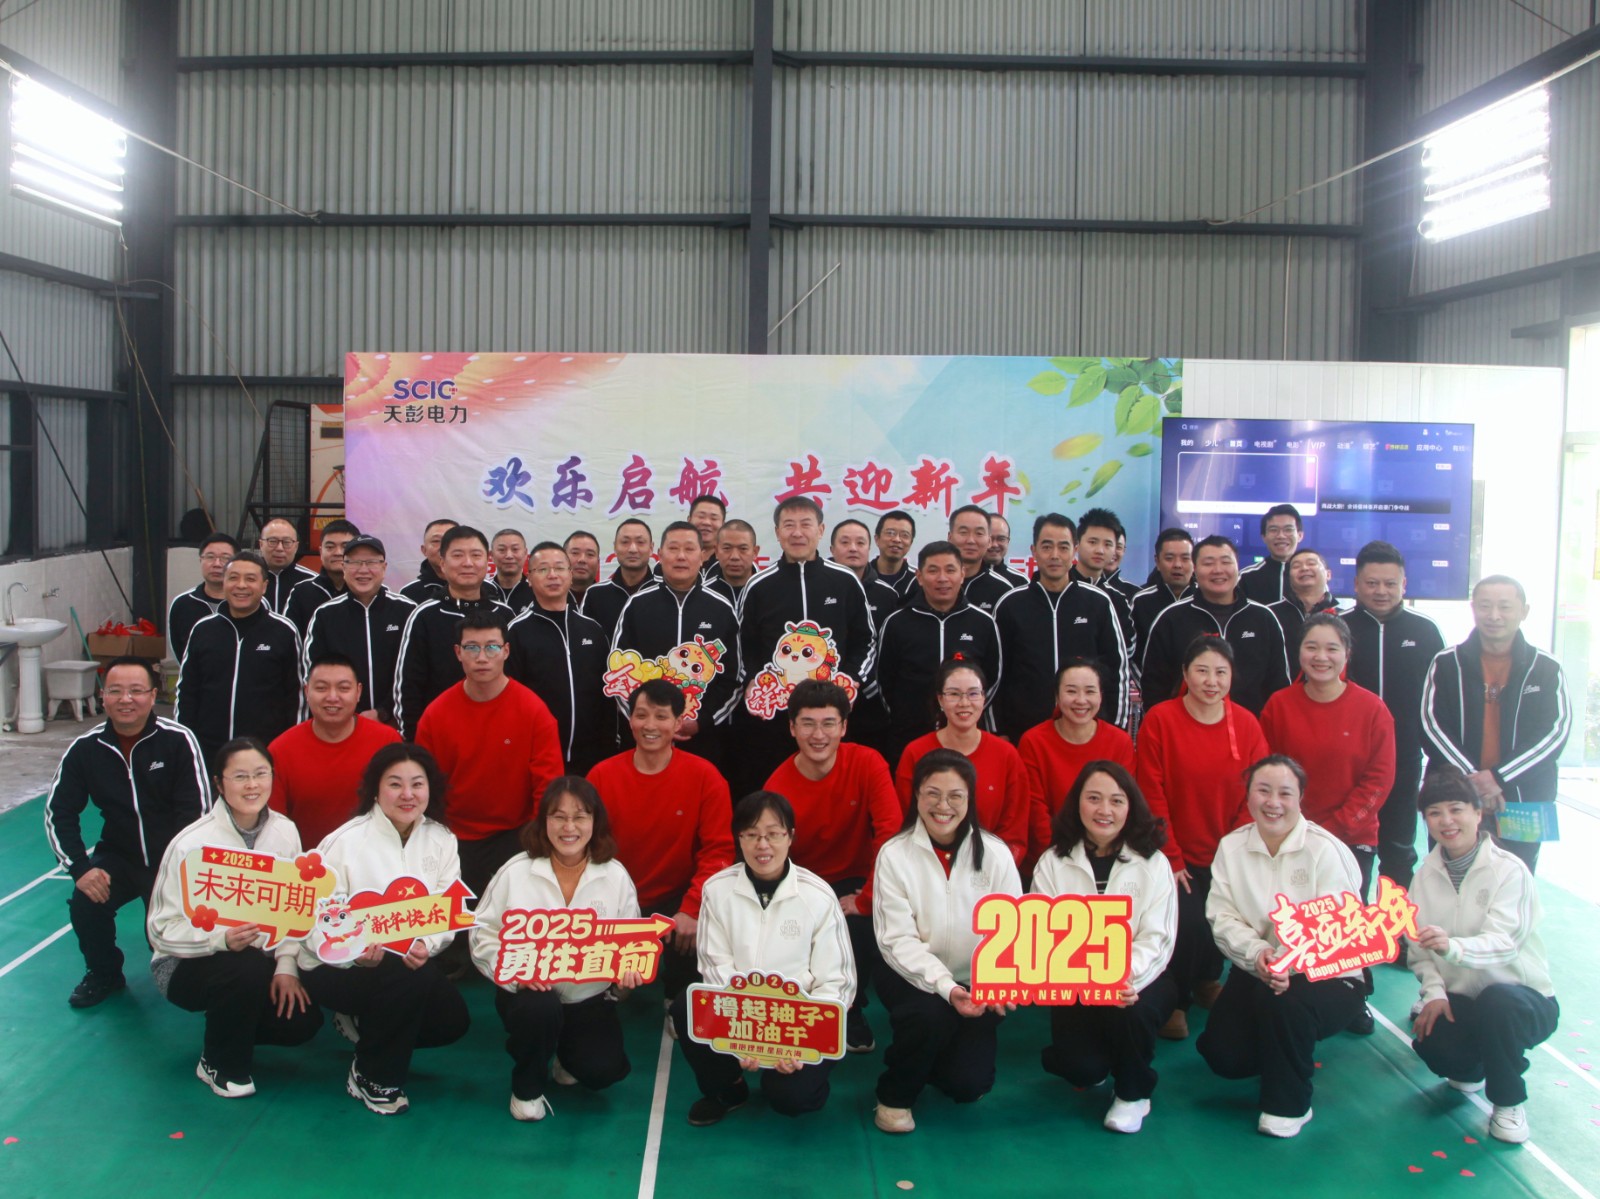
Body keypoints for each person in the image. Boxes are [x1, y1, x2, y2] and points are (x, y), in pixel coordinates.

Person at [1197, 755, 1366, 1138]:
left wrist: (1290, 963)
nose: (1273, 802)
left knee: (1285, 1005)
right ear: (1249, 796)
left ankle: (1289, 1104)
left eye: (1285, 793)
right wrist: (1257, 953)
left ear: (1301, 798)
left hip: (1327, 974)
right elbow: (1222, 916)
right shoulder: (1232, 847)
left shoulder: (1325, 849)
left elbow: (1343, 927)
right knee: (1223, 1055)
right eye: (1263, 790)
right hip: (1259, 966)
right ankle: (1285, 1045)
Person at [297, 744, 471, 1115]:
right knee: (410, 977)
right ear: (375, 789)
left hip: (402, 966)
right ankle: (374, 1076)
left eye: (417, 784)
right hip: (336, 968)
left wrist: (426, 943)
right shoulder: (345, 842)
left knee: (451, 1021)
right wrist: (353, 955)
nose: (407, 794)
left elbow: (447, 907)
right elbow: (313, 923)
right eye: (395, 784)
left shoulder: (441, 838)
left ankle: (365, 1025)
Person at [147, 738, 323, 1097]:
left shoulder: (285, 831)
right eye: (240, 776)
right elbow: (160, 930)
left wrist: (286, 966)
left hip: (259, 961)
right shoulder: (191, 844)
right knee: (245, 968)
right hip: (185, 963)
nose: (252, 785)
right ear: (218, 783)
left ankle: (227, 1026)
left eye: (261, 774)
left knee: (302, 1022)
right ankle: (221, 1063)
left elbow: (293, 911)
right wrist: (219, 939)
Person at [672, 791, 857, 1125]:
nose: (763, 845)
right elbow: (715, 967)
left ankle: (802, 1080)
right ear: (739, 838)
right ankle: (728, 1089)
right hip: (740, 1015)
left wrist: (797, 1043)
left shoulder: (818, 895)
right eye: (752, 835)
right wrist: (744, 1039)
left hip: (798, 1021)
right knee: (688, 1007)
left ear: (790, 837)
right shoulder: (716, 890)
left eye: (773, 834)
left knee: (791, 1099)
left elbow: (838, 981)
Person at [871, 749, 1022, 1134]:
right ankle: (894, 1096)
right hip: (911, 975)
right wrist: (946, 987)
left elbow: (1013, 930)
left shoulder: (997, 854)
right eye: (932, 794)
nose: (943, 806)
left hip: (976, 982)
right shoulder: (894, 855)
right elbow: (897, 940)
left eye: (956, 796)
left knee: (968, 1085)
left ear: (970, 799)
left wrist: (998, 982)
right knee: (929, 1016)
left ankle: (933, 1056)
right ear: (916, 796)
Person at [471, 778, 641, 1122]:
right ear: (543, 821)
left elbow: (632, 942)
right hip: (529, 995)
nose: (569, 827)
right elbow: (482, 934)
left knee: (603, 1071)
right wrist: (515, 973)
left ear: (595, 821)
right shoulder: (515, 871)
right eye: (558, 816)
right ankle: (527, 1088)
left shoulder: (615, 875)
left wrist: (626, 977)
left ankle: (565, 1055)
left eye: (580, 817)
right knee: (539, 1010)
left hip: (587, 998)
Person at [46, 657, 208, 1008]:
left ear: (152, 695)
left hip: (172, 862)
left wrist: (178, 872)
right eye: (116, 691)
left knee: (168, 948)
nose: (126, 699)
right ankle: (104, 973)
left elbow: (196, 814)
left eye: (136, 690)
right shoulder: (86, 749)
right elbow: (59, 812)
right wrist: (80, 869)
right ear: (102, 697)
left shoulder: (178, 740)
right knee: (86, 901)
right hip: (119, 855)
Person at [1408, 768, 1559, 1145]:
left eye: (1456, 809)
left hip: (1522, 999)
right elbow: (1419, 951)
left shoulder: (1510, 871)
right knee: (1432, 1043)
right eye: (1434, 813)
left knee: (1498, 1004)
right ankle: (1472, 1066)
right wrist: (1435, 993)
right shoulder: (1423, 877)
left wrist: (1453, 947)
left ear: (1478, 813)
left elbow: (1505, 942)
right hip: (1464, 999)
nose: (1446, 821)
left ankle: (1508, 1102)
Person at [1135, 636, 1269, 1039]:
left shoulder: (1246, 723)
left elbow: (1257, 789)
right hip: (1175, 851)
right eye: (1202, 671)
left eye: (1221, 672)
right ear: (1185, 674)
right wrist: (1171, 855)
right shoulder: (1161, 719)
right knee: (1189, 923)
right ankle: (1176, 998)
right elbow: (1151, 791)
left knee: (1224, 918)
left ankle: (1208, 979)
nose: (1212, 681)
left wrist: (1235, 850)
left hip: (1229, 850)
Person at [1034, 762, 1178, 1134]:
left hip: (1138, 979)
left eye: (1116, 800)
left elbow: (1158, 938)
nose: (1104, 810)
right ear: (1077, 803)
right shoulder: (1053, 861)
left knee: (1132, 1012)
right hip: (1075, 982)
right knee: (1080, 1069)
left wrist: (1123, 975)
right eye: (1094, 798)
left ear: (1131, 807)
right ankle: (1097, 1057)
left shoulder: (1153, 862)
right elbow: (1042, 933)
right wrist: (1085, 979)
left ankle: (1133, 1093)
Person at [763, 680, 901, 1052]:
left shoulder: (868, 762)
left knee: (862, 925)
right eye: (807, 724)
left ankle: (850, 1009)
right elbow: (771, 859)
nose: (818, 734)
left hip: (857, 878)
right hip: (803, 882)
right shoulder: (778, 786)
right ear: (792, 728)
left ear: (844, 727)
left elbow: (889, 834)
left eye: (828, 723)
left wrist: (867, 897)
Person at [415, 611, 564, 931]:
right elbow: (422, 786)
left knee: (509, 929)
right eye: (472, 648)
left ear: (506, 651)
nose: (482, 657)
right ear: (458, 653)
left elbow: (547, 785)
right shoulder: (436, 714)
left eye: (492, 647)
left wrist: (537, 842)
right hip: (452, 838)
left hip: (515, 836)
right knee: (454, 933)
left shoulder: (533, 710)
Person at [587, 680, 735, 998]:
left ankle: (675, 997)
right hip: (615, 897)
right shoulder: (601, 775)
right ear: (630, 720)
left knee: (699, 942)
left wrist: (692, 908)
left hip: (676, 899)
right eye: (641, 715)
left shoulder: (706, 777)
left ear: (679, 723)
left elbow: (718, 851)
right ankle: (613, 982)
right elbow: (583, 849)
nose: (650, 725)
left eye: (661, 716)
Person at [1421, 574, 1570, 875]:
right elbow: (1432, 726)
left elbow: (1555, 733)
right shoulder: (1446, 663)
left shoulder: (1546, 667)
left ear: (1524, 611)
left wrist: (1499, 778)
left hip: (1524, 799)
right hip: (1455, 798)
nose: (1494, 615)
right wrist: (1474, 782)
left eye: (1505, 606)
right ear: (1473, 608)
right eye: (1485, 606)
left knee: (1516, 881)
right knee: (1451, 880)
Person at [734, 496, 875, 792]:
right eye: (789, 525)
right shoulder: (758, 586)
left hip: (832, 711)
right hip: (775, 713)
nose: (797, 533)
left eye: (806, 524)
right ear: (777, 533)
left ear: (820, 530)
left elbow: (866, 639)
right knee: (774, 788)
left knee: (832, 789)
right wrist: (754, 681)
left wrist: (850, 679)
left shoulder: (845, 581)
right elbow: (743, 644)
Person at [1261, 614, 1395, 897]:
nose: (1321, 657)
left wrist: (1332, 830)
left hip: (1351, 839)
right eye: (1311, 647)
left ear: (1347, 653)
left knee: (1342, 922)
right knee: (1288, 918)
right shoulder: (1279, 705)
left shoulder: (1372, 709)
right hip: (1289, 837)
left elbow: (1379, 780)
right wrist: (1291, 828)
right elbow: (1265, 773)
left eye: (1332, 648)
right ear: (1299, 651)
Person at [1346, 541, 1446, 892]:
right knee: (1348, 853)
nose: (1381, 591)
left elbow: (1439, 699)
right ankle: (1349, 925)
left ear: (1404, 584)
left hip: (1404, 760)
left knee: (1399, 853)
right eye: (1372, 583)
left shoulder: (1425, 631)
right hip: (1349, 762)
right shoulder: (1338, 628)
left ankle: (1394, 926)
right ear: (1356, 584)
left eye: (1390, 583)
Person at [609, 523, 741, 767]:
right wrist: (645, 720)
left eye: (689, 549)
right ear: (660, 554)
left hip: (702, 739)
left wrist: (702, 720)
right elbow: (618, 672)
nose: (681, 556)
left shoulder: (721, 609)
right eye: (673, 548)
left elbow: (733, 678)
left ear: (702, 555)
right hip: (643, 738)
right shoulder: (637, 605)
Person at [992, 513, 1128, 740]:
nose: (1055, 555)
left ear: (1074, 550)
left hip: (1087, 733)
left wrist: (1115, 729)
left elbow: (1117, 669)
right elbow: (996, 675)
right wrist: (999, 731)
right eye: (1047, 547)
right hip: (1023, 734)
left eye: (1063, 547)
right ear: (1034, 551)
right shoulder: (1010, 605)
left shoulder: (1098, 603)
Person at [875, 541, 1001, 762]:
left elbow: (993, 678)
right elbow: (884, 681)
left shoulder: (983, 623)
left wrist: (964, 712)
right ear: (919, 576)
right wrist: (907, 714)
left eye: (950, 570)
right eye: (933, 570)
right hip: (909, 735)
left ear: (962, 574)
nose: (942, 578)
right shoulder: (897, 623)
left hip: (965, 736)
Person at [175, 550, 303, 767]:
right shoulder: (203, 630)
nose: (241, 585)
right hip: (209, 752)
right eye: (233, 578)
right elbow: (187, 692)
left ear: (264, 586)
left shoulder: (283, 631)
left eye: (250, 579)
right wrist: (186, 745)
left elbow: (296, 696)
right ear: (224, 583)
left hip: (265, 752)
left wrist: (288, 747)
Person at [894, 659, 1028, 866]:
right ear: (940, 699)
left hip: (989, 867)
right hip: (925, 865)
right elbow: (905, 822)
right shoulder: (916, 752)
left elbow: (1014, 830)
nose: (964, 703)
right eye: (954, 694)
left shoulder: (1006, 754)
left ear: (984, 698)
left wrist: (991, 870)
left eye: (973, 693)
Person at [1140, 534, 1289, 715]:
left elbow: (1278, 684)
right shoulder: (1171, 619)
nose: (1218, 570)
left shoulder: (1263, 618)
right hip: (1187, 725)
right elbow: (1154, 686)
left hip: (1250, 727)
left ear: (1237, 567)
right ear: (1195, 570)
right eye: (1208, 563)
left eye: (1226, 562)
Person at [269, 653, 403, 849]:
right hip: (305, 862)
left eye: (343, 688)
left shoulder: (387, 741)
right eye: (321, 688)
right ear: (307, 691)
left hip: (374, 859)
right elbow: (274, 826)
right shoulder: (281, 750)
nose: (332, 697)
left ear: (358, 692)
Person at [393, 524, 515, 739]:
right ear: (443, 563)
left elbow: (516, 678)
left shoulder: (504, 614)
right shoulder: (424, 616)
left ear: (487, 561)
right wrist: (413, 744)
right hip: (441, 734)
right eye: (458, 555)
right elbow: (409, 687)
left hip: (499, 732)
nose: (467, 563)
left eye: (475, 555)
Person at [1018, 660, 1136, 869]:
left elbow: (1123, 803)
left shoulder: (1119, 742)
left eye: (1090, 691)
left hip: (1106, 856)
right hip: (1050, 859)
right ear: (1057, 696)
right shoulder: (1034, 741)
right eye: (1071, 691)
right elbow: (1036, 812)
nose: (1081, 700)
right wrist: (1063, 860)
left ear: (1101, 695)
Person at [506, 541, 612, 773]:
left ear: (570, 575)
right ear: (529, 578)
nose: (552, 575)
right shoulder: (516, 631)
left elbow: (605, 694)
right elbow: (510, 700)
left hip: (591, 758)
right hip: (538, 757)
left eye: (559, 568)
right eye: (543, 569)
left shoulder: (592, 629)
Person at [301, 534, 416, 726]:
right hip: (342, 724)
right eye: (354, 562)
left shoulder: (407, 611)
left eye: (371, 562)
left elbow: (414, 673)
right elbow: (314, 673)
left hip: (397, 723)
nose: (363, 570)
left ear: (384, 567)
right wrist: (348, 713)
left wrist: (383, 712)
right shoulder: (325, 615)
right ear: (344, 568)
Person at [1070, 508, 1137, 650]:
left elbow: (1128, 647)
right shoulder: (1059, 588)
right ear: (1077, 544)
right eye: (1092, 542)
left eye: (1108, 544)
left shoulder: (1117, 599)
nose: (1100, 550)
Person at [579, 518, 656, 640]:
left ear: (651, 548)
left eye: (640, 542)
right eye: (625, 542)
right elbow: (583, 640)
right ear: (615, 547)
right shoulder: (595, 594)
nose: (632, 549)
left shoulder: (664, 592)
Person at [284, 518, 360, 634]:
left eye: (345, 546)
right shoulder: (301, 592)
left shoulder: (367, 591)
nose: (338, 553)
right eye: (330, 547)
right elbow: (289, 637)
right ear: (320, 552)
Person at [168, 532, 235, 660]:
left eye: (225, 558)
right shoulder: (182, 604)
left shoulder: (250, 602)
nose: (217, 564)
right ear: (200, 560)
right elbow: (180, 651)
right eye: (210, 557)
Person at [942, 504, 1017, 614]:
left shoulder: (1004, 589)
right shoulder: (931, 582)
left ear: (989, 541)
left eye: (979, 533)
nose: (971, 540)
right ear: (950, 537)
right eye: (963, 532)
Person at [1130, 528, 1195, 649]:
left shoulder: (1204, 597)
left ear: (1194, 562)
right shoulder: (1141, 601)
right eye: (1169, 558)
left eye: (1185, 558)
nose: (1177, 565)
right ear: (1157, 562)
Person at [1266, 547, 1339, 654]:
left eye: (1311, 563)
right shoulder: (1269, 614)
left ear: (1328, 575)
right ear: (1289, 578)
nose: (1304, 568)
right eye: (1296, 566)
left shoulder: (1342, 616)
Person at [831, 518, 899, 631]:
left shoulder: (887, 595)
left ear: (869, 549)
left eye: (860, 543)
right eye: (845, 542)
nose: (853, 548)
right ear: (832, 549)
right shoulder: (816, 587)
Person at [1239, 503, 1303, 604]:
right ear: (1263, 537)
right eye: (1273, 530)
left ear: (1300, 535)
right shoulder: (1245, 577)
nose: (1281, 536)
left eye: (1288, 529)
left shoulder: (1311, 575)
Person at [257, 517, 315, 613]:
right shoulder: (247, 578)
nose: (279, 548)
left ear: (296, 547)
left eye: (287, 542)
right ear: (261, 544)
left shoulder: (312, 581)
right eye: (272, 541)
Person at [399, 518, 457, 603]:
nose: (444, 547)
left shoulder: (477, 587)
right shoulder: (409, 593)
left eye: (451, 540)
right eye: (436, 541)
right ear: (424, 550)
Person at [707, 518, 761, 608]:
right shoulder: (704, 593)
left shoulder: (769, 591)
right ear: (716, 552)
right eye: (727, 548)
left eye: (743, 549)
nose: (734, 556)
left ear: (755, 552)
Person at [871, 510, 918, 599]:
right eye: (890, 533)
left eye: (904, 535)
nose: (897, 539)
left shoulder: (918, 580)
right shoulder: (862, 576)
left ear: (911, 543)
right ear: (877, 539)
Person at [488, 527, 534, 611]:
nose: (509, 556)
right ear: (492, 555)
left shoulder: (537, 591)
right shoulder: (481, 591)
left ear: (525, 554)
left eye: (515, 549)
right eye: (502, 550)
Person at [688, 494, 727, 579]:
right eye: (701, 516)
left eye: (714, 518)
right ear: (689, 520)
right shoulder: (674, 560)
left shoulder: (729, 561)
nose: (706, 522)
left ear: (723, 525)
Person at [985, 513, 1029, 588]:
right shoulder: (965, 576)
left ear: (1008, 541)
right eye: (990, 539)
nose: (994, 545)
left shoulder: (1021, 581)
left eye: (1001, 539)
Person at [563, 530, 602, 606]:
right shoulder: (545, 597)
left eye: (590, 554)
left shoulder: (608, 599)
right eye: (575, 553)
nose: (582, 560)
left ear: (598, 563)